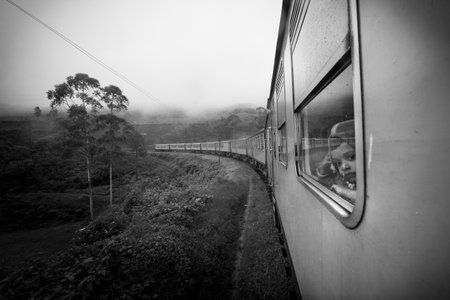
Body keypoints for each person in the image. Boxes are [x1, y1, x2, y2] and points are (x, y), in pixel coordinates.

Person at [316, 121, 357, 204]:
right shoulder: (341, 179)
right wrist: (324, 166)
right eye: (338, 163)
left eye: (351, 157)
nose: (344, 167)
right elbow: (323, 181)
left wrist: (346, 192)